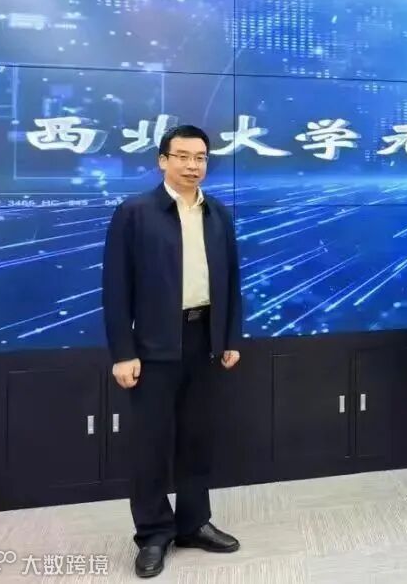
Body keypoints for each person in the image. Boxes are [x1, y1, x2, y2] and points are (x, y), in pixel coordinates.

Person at [103, 125, 243, 578]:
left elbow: (232, 281)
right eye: (182, 156)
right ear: (162, 160)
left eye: (200, 157)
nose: (192, 165)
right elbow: (115, 288)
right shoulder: (135, 212)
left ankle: (193, 523)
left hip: (204, 340)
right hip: (153, 346)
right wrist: (123, 352)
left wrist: (230, 338)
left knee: (197, 438)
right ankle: (152, 533)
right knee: (151, 444)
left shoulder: (217, 213)